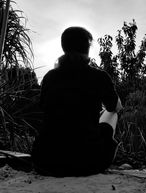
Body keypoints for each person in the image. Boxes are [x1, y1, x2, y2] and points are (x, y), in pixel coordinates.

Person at [32, 26, 123, 176]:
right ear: (87, 47)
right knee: (111, 112)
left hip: (45, 161)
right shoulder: (99, 77)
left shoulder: (50, 77)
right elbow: (116, 107)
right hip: (87, 163)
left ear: (63, 47)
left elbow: (44, 108)